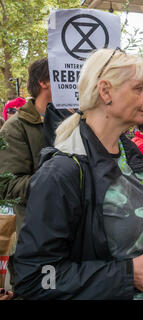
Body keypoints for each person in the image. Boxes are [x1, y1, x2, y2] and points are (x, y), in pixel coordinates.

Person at [13, 48, 143, 300]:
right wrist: (128, 275)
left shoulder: (130, 155)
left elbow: (134, 240)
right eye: (138, 88)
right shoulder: (61, 173)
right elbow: (36, 278)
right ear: (105, 91)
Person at [0, 59, 52, 295]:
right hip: (34, 241)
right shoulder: (15, 128)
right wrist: (58, 181)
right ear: (44, 82)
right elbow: (8, 185)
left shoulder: (78, 122)